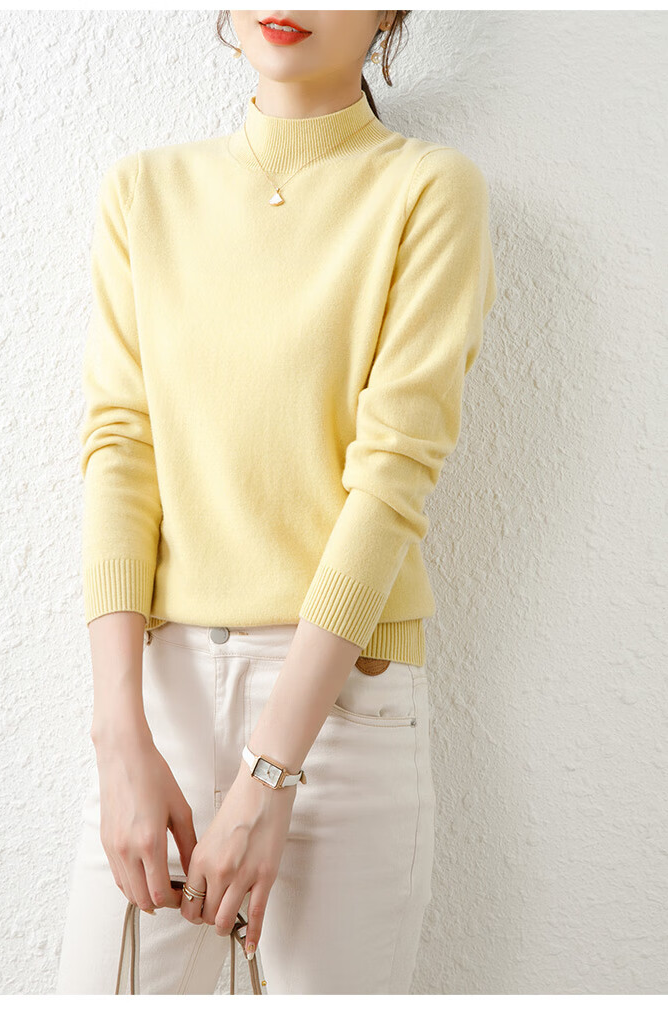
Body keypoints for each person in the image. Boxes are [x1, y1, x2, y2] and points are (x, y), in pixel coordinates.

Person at [56, 9, 497, 995]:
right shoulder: (144, 191)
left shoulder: (428, 191)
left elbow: (393, 474)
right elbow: (120, 450)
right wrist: (118, 738)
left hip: (338, 710)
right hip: (158, 700)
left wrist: (271, 773)